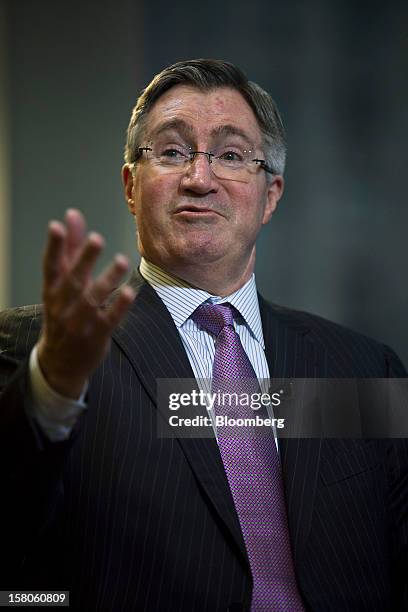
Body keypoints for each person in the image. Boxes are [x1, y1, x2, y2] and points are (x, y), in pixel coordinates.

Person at [0, 59, 406, 612]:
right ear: (129, 185)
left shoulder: (362, 370)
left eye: (232, 155)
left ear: (270, 195)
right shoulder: (42, 353)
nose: (200, 178)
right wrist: (52, 390)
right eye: (171, 152)